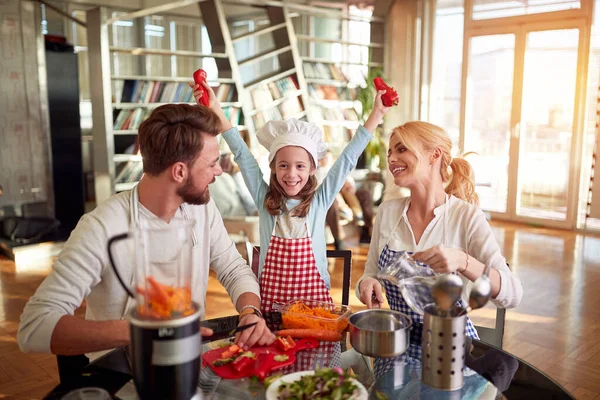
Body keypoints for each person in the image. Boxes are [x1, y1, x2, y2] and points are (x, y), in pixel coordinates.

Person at [17, 104, 275, 358]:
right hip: (122, 372)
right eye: (212, 164)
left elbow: (232, 267)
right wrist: (145, 330)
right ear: (179, 172)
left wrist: (250, 312)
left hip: (189, 359)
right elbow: (34, 327)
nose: (219, 171)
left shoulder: (202, 209)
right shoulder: (101, 227)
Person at [192, 82, 391, 312]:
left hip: (316, 311)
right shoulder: (263, 197)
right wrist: (216, 108)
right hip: (271, 310)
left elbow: (348, 158)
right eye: (283, 165)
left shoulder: (320, 201)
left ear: (312, 168)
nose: (292, 174)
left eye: (300, 166)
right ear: (273, 167)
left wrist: (376, 114)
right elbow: (241, 152)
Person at [357, 121, 523, 356]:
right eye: (390, 152)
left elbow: (513, 294)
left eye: (402, 149)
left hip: (451, 355)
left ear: (434, 155)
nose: (392, 158)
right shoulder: (387, 211)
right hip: (396, 348)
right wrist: (366, 284)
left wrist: (464, 261)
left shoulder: (466, 217)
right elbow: (370, 273)